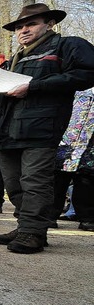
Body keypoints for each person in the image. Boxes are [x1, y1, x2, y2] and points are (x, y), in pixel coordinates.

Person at [0, 3, 94, 253]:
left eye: (31, 24)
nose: (24, 30)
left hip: (41, 129)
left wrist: (34, 86)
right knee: (13, 184)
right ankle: (26, 225)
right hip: (8, 130)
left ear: (50, 24)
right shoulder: (15, 59)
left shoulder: (67, 46)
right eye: (19, 26)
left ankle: (33, 232)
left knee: (35, 181)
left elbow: (87, 73)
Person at [51, 88, 94, 232]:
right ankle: (50, 215)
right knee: (57, 179)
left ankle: (87, 218)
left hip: (90, 145)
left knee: (86, 181)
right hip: (65, 141)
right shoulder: (77, 87)